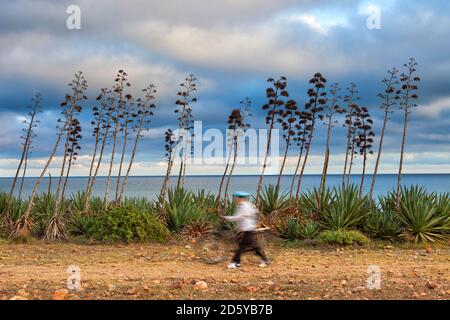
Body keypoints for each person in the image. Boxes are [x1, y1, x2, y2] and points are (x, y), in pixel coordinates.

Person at [224, 191, 270, 269]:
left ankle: (235, 262)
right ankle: (265, 260)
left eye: (236, 198)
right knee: (253, 247)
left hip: (248, 228)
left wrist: (228, 218)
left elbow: (239, 217)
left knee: (242, 247)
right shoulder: (248, 205)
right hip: (248, 228)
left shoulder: (244, 206)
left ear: (240, 198)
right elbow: (255, 213)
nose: (235, 199)